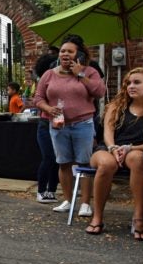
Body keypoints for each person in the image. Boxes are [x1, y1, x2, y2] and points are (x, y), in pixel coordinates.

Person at [85, 68, 143, 240]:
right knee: (107, 163)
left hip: (136, 150)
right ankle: (97, 216)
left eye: (137, 82)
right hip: (106, 149)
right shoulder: (115, 108)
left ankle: (139, 218)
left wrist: (129, 148)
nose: (131, 86)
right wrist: (114, 148)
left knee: (139, 159)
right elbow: (107, 134)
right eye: (128, 83)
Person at [33, 35, 106, 217]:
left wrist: (80, 74)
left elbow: (100, 92)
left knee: (84, 163)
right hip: (58, 125)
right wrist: (48, 109)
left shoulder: (89, 72)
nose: (65, 54)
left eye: (70, 51)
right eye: (63, 51)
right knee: (63, 163)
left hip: (83, 124)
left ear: (78, 54)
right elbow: (38, 98)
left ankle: (85, 204)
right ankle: (67, 200)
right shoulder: (49, 74)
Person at [33, 46, 61, 204]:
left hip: (59, 120)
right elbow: (38, 100)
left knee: (58, 158)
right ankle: (42, 190)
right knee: (48, 157)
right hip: (46, 121)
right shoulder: (46, 79)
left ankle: (52, 190)